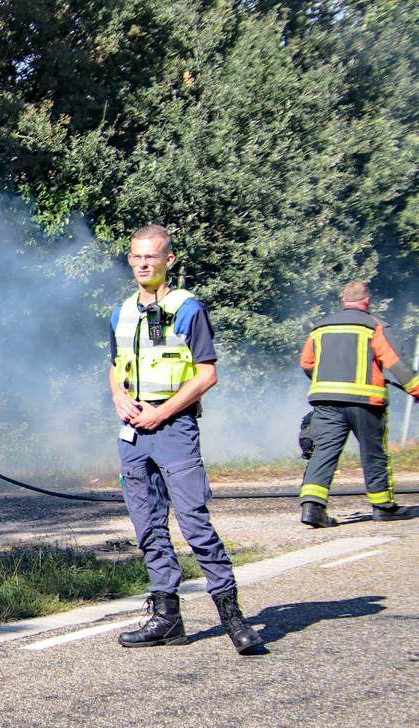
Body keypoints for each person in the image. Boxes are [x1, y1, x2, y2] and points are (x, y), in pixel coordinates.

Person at [108, 224, 264, 654]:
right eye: (136, 257)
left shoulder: (188, 309)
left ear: (168, 261)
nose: (143, 264)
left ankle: (233, 618)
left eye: (152, 257)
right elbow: (114, 364)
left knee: (195, 523)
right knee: (148, 527)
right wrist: (118, 396)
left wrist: (164, 411)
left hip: (174, 428)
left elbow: (207, 373)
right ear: (129, 260)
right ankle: (166, 618)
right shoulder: (120, 312)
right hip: (133, 433)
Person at [297, 280, 419, 527]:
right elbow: (396, 364)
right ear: (367, 301)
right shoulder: (374, 325)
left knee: (323, 453)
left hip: (326, 401)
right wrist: (415, 390)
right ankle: (383, 507)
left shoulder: (320, 327)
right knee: (374, 454)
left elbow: (307, 363)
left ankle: (312, 508)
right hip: (365, 403)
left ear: (343, 301)